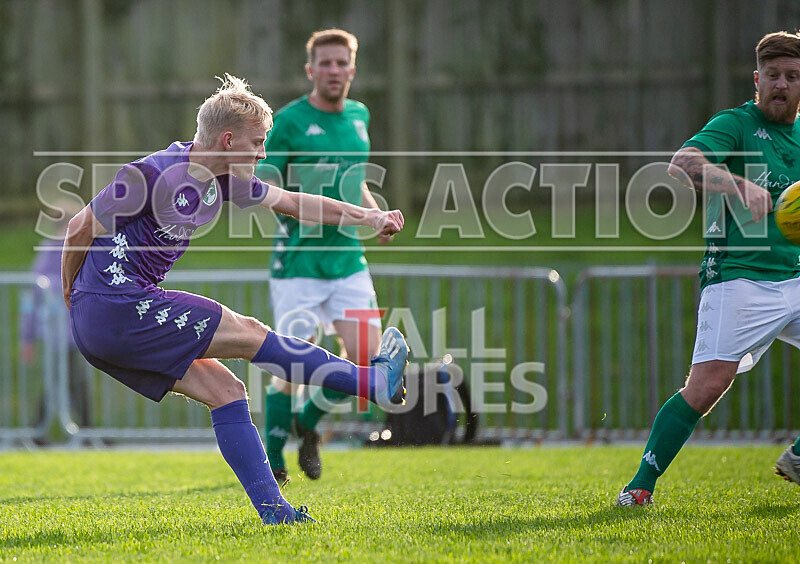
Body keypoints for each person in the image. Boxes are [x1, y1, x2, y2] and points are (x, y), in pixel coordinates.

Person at [61, 74, 409, 525]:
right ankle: (372, 383)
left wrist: (370, 216)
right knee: (250, 333)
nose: (263, 153)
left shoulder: (223, 179)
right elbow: (78, 228)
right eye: (257, 142)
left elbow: (295, 203)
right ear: (228, 140)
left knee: (226, 391)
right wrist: (71, 292)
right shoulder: (152, 174)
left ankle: (277, 514)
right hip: (117, 306)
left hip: (108, 319)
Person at [616, 31, 800, 507]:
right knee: (707, 386)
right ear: (757, 80)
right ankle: (639, 486)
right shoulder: (735, 124)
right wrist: (738, 184)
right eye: (773, 75)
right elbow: (682, 164)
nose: (782, 84)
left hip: (796, 276)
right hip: (738, 277)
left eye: (792, 76)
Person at [257, 29, 390, 483]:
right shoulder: (290, 121)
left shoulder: (359, 116)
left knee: (367, 360)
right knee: (291, 364)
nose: (334, 70)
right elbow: (264, 186)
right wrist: (304, 212)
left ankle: (308, 421)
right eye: (325, 63)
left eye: (342, 62)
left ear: (353, 68)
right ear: (310, 70)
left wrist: (375, 216)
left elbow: (356, 182)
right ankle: (273, 461)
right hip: (299, 264)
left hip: (348, 259)